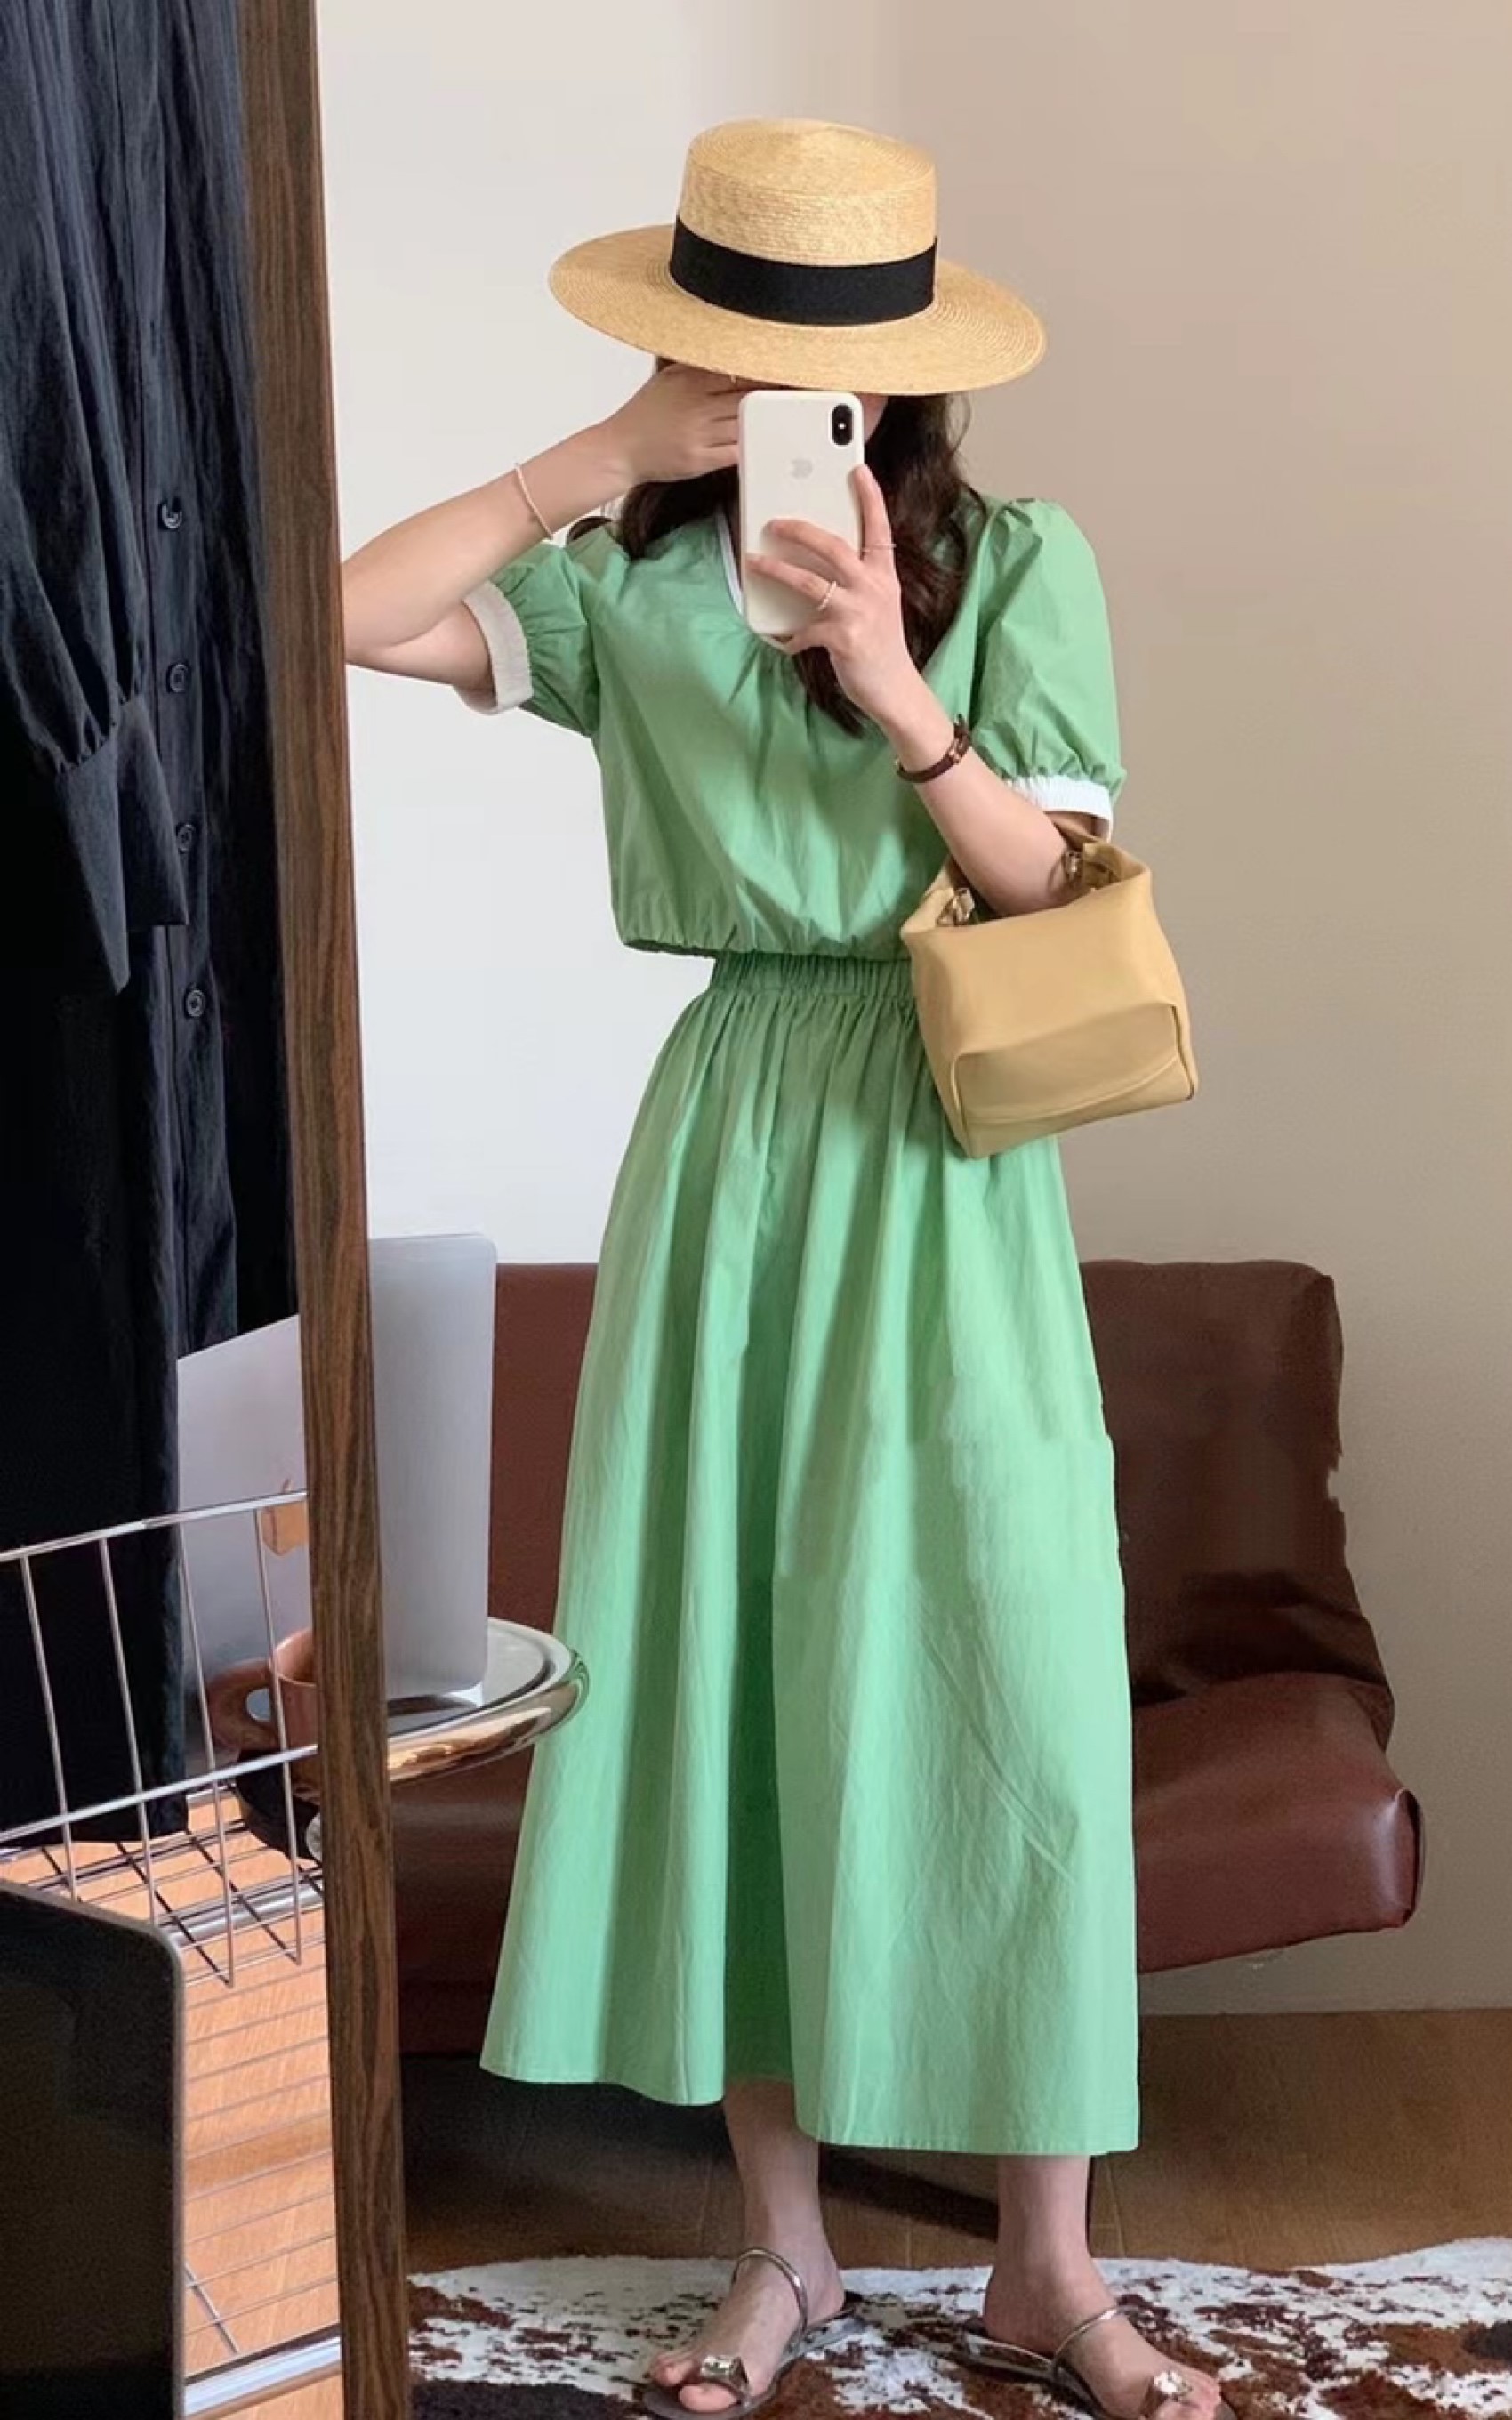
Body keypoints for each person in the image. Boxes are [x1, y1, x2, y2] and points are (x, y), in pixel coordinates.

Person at [342, 117, 1224, 2420]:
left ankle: (1047, 2268)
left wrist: (897, 681)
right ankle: (785, 2249)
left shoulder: (1017, 559)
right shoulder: (623, 584)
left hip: (945, 1136)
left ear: (904, 370)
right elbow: (331, 608)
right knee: (727, 1657)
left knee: (1009, 1655)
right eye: (719, 353)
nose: (767, 392)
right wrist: (592, 459)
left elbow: (1047, 889)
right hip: (735, 1126)